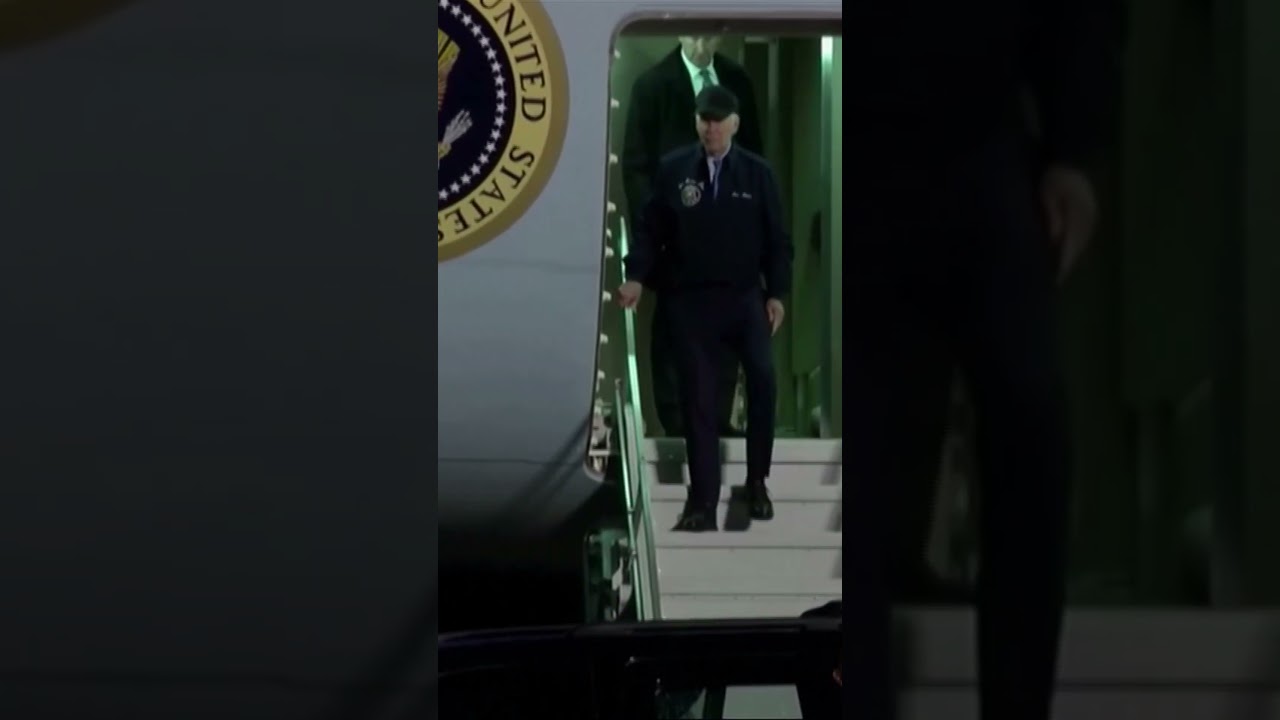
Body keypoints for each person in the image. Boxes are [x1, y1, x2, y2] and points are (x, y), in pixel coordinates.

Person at [843, 1, 1121, 719]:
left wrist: (1074, 149)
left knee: (1030, 417)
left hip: (981, 133)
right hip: (860, 129)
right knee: (862, 457)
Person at [618, 84, 790, 532]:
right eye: (704, 120)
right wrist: (636, 276)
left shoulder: (757, 174)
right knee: (698, 398)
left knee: (763, 380)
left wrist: (777, 294)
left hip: (743, 297)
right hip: (690, 300)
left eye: (718, 121)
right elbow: (649, 229)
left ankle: (757, 481)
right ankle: (702, 502)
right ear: (696, 123)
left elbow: (777, 240)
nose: (710, 128)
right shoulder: (674, 170)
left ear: (735, 124)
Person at [620, 36, 764, 438]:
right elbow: (636, 165)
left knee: (728, 323)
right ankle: (677, 420)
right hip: (674, 231)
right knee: (674, 324)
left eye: (710, 29)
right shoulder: (653, 84)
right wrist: (655, 225)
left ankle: (716, 417)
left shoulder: (738, 81)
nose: (702, 37)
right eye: (694, 29)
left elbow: (756, 156)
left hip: (730, 230)